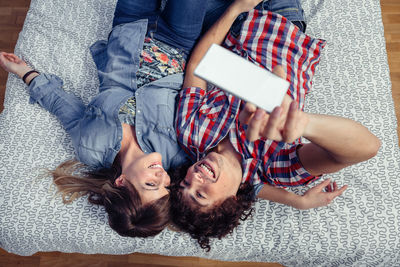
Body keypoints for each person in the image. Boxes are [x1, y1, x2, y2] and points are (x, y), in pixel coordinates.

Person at [169, 0, 381, 250]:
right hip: (280, 23)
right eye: (201, 194)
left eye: (185, 183)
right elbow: (366, 147)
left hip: (229, 23)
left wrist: (237, 8)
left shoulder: (190, 134)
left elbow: (197, 66)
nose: (195, 177)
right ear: (231, 202)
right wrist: (304, 124)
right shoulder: (274, 167)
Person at [0, 0, 213, 238]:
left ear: (122, 181)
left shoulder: (91, 147)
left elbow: (64, 107)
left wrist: (24, 73)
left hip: (127, 33)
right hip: (178, 42)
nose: (162, 176)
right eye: (165, 187)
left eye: (151, 184)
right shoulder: (179, 154)